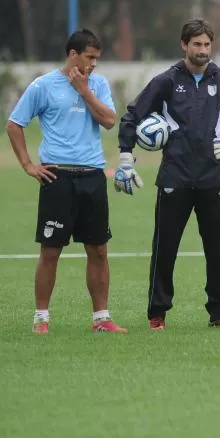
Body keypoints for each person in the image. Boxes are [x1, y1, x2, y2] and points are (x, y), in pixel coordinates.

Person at [115, 19, 220, 331]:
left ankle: (219, 312)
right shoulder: (166, 82)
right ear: (184, 45)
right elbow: (132, 117)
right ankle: (157, 314)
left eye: (207, 45)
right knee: (165, 248)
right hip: (174, 179)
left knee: (217, 250)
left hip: (213, 180)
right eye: (196, 44)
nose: (202, 50)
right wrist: (126, 158)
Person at [6, 29, 127, 334]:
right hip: (57, 177)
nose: (94, 64)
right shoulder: (43, 86)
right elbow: (14, 125)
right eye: (90, 57)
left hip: (92, 177)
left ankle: (101, 318)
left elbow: (110, 121)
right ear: (73, 54)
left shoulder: (97, 84)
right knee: (50, 251)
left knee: (98, 250)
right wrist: (28, 165)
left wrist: (84, 90)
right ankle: (41, 318)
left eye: (97, 58)